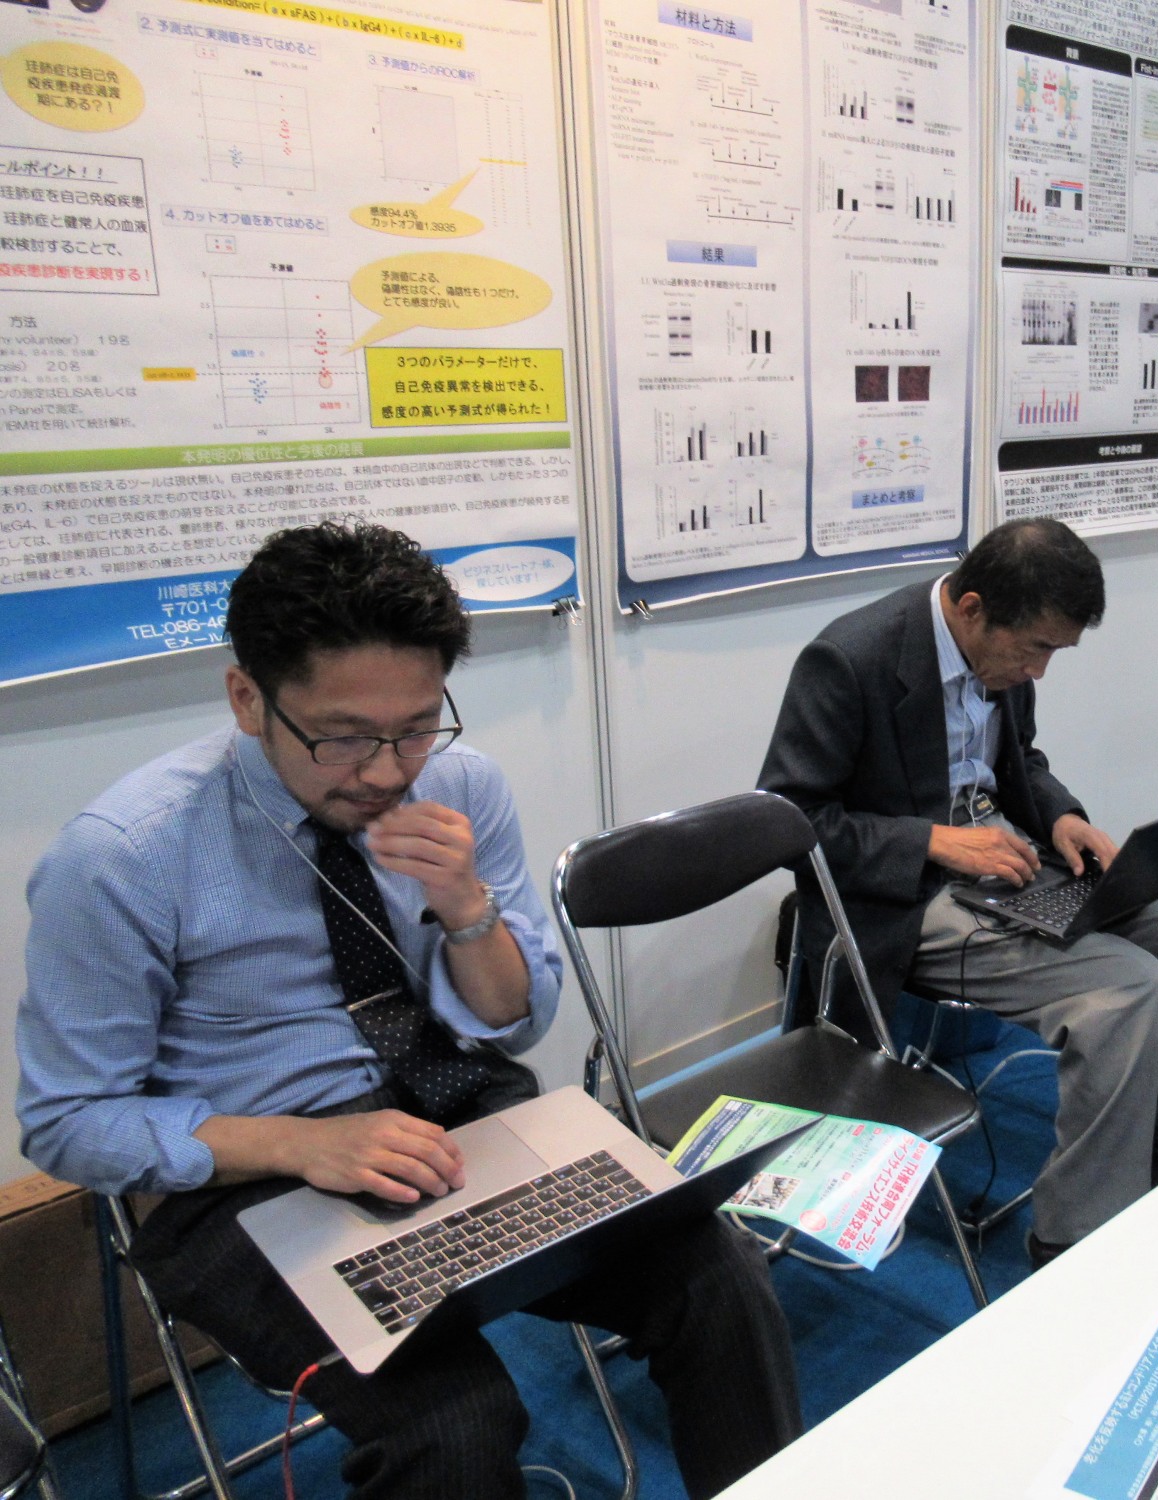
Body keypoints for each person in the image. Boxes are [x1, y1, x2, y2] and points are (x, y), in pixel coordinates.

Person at [15, 522, 799, 1500]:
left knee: (717, 1276)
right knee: (453, 1424)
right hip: (247, 1174)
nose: (387, 771)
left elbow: (516, 1022)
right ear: (247, 698)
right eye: (342, 736)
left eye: (419, 725)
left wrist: (467, 907)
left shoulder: (461, 786)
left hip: (455, 1108)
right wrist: (302, 1145)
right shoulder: (125, 855)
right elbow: (65, 1121)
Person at [758, 518, 1158, 1267]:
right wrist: (932, 841)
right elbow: (790, 823)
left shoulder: (1001, 660)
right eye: (1035, 649)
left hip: (1007, 865)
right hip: (901, 901)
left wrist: (1063, 816)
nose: (1039, 671)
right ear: (972, 607)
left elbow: (1021, 763)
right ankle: (1074, 1237)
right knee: (1127, 990)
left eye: (1055, 652)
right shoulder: (849, 660)